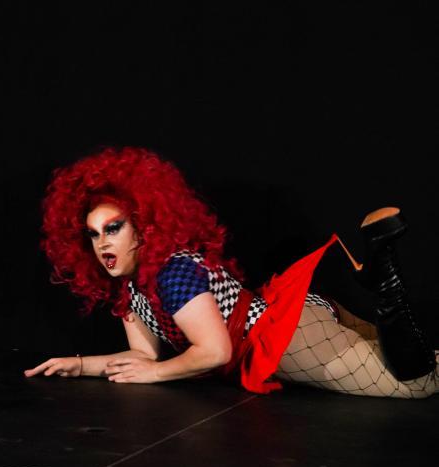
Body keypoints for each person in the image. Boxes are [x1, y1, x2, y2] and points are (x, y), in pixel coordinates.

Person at [24, 146, 438, 398]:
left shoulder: (172, 272)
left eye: (113, 228)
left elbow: (215, 352)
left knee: (422, 385)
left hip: (283, 338)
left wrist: (158, 374)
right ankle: (375, 279)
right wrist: (80, 365)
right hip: (293, 315)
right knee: (420, 359)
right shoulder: (132, 289)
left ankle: (385, 278)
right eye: (93, 234)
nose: (102, 243)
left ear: (143, 226)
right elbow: (143, 356)